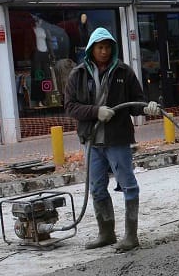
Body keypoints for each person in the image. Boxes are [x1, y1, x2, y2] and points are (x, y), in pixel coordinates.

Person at [65, 28, 161, 253]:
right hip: (92, 141)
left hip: (117, 139)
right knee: (97, 188)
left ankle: (131, 236)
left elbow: (136, 102)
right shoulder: (78, 74)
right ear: (91, 49)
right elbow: (70, 107)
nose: (104, 51)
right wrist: (95, 111)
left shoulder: (123, 72)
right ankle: (106, 233)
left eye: (108, 47)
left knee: (129, 185)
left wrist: (148, 107)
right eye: (100, 47)